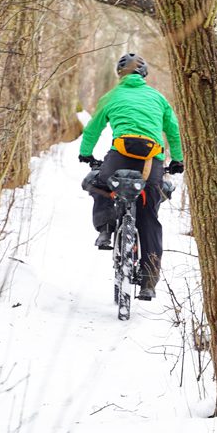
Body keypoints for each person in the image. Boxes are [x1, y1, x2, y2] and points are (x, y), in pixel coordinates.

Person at [78, 53, 184, 301]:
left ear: (120, 75)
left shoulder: (112, 96)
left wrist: (86, 154)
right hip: (152, 161)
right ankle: (148, 282)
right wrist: (177, 160)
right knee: (149, 218)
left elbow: (94, 127)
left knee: (100, 182)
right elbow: (173, 129)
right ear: (143, 75)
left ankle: (105, 229)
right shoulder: (158, 98)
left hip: (121, 155)